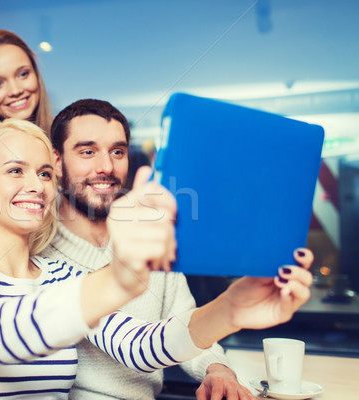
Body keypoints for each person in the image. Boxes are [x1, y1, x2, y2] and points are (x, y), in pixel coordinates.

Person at [0, 118, 313, 399]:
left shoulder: (62, 277)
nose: (36, 185)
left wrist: (230, 309)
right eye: (15, 171)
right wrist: (119, 278)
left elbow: (141, 346)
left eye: (45, 174)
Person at [41, 99, 263, 399]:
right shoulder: (38, 252)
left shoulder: (152, 235)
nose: (106, 167)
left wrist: (217, 369)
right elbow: (138, 346)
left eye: (117, 152)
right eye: (88, 151)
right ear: (56, 161)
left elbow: (187, 324)